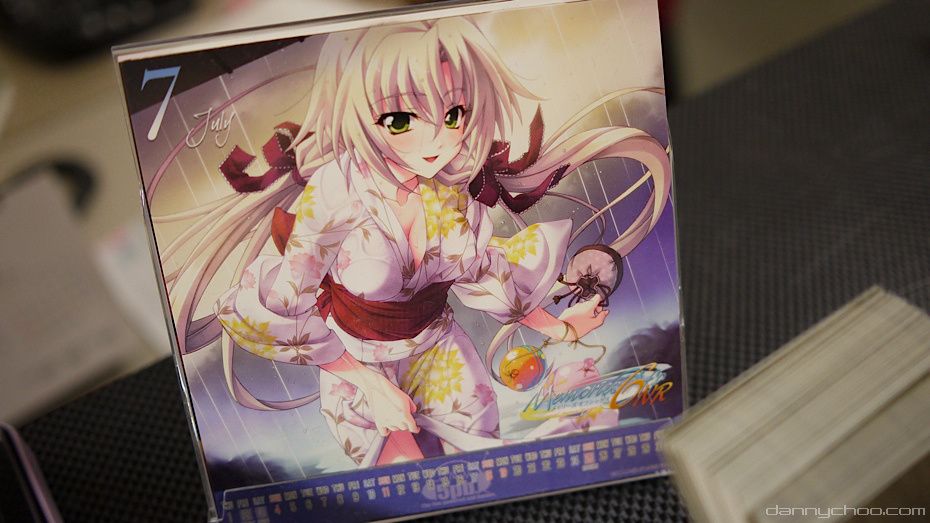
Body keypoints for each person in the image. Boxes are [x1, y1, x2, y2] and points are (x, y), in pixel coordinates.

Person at [164, 17, 671, 467]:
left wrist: (560, 328)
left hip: (441, 351)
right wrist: (367, 383)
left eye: (453, 115)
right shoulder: (337, 190)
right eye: (401, 120)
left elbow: (486, 275)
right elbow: (284, 303)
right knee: (405, 478)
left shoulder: (455, 189)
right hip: (356, 363)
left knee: (483, 471)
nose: (437, 142)